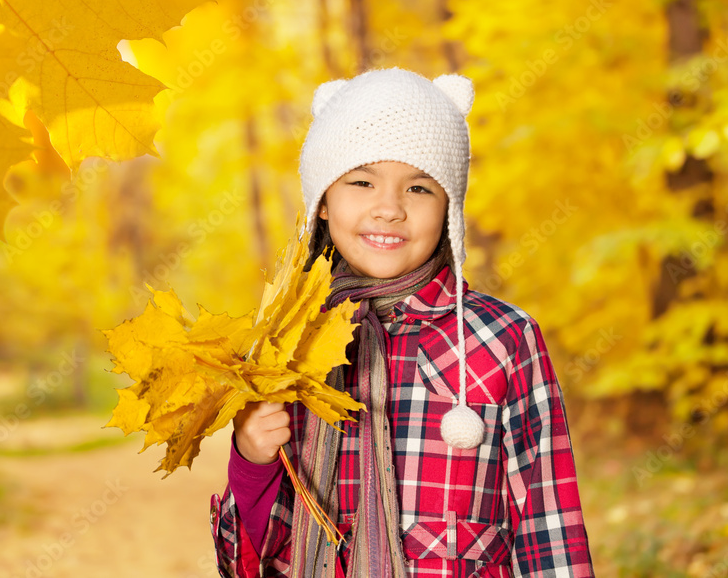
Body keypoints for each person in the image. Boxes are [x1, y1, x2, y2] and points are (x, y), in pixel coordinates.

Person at [209, 67, 595, 577]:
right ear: (322, 202)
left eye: (418, 188)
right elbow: (257, 556)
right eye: (362, 181)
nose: (389, 208)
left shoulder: (503, 338)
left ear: (449, 209)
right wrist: (251, 460)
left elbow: (548, 525)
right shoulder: (286, 341)